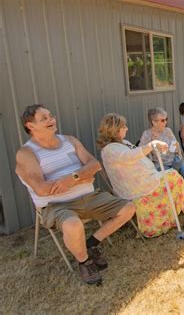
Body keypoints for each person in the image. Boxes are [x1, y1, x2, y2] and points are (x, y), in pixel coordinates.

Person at [15, 104, 136, 285]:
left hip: (89, 197)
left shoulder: (69, 141)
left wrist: (73, 178)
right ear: (30, 126)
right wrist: (83, 176)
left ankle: (91, 244)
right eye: (44, 118)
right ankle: (84, 261)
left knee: (128, 208)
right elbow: (41, 188)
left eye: (51, 116)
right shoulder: (26, 153)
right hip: (57, 206)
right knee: (73, 225)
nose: (51, 120)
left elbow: (94, 164)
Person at [97, 113, 184, 239]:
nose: (127, 129)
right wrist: (151, 145)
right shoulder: (109, 150)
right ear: (115, 130)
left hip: (145, 179)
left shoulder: (124, 142)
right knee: (172, 176)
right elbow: (130, 157)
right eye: (124, 127)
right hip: (135, 187)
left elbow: (138, 156)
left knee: (172, 180)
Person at [139, 108, 184, 211]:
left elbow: (175, 144)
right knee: (171, 179)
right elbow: (141, 153)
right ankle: (176, 204)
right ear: (154, 122)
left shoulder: (168, 130)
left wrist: (176, 146)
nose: (165, 122)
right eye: (162, 120)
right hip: (159, 165)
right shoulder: (147, 134)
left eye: (166, 119)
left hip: (174, 160)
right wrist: (153, 142)